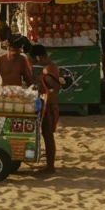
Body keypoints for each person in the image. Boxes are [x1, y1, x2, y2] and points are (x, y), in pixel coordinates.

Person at [31, 44, 61, 172]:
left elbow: (53, 88)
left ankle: (50, 167)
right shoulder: (51, 67)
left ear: (41, 56)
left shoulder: (48, 70)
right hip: (49, 105)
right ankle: (50, 165)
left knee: (48, 135)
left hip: (49, 106)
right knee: (47, 134)